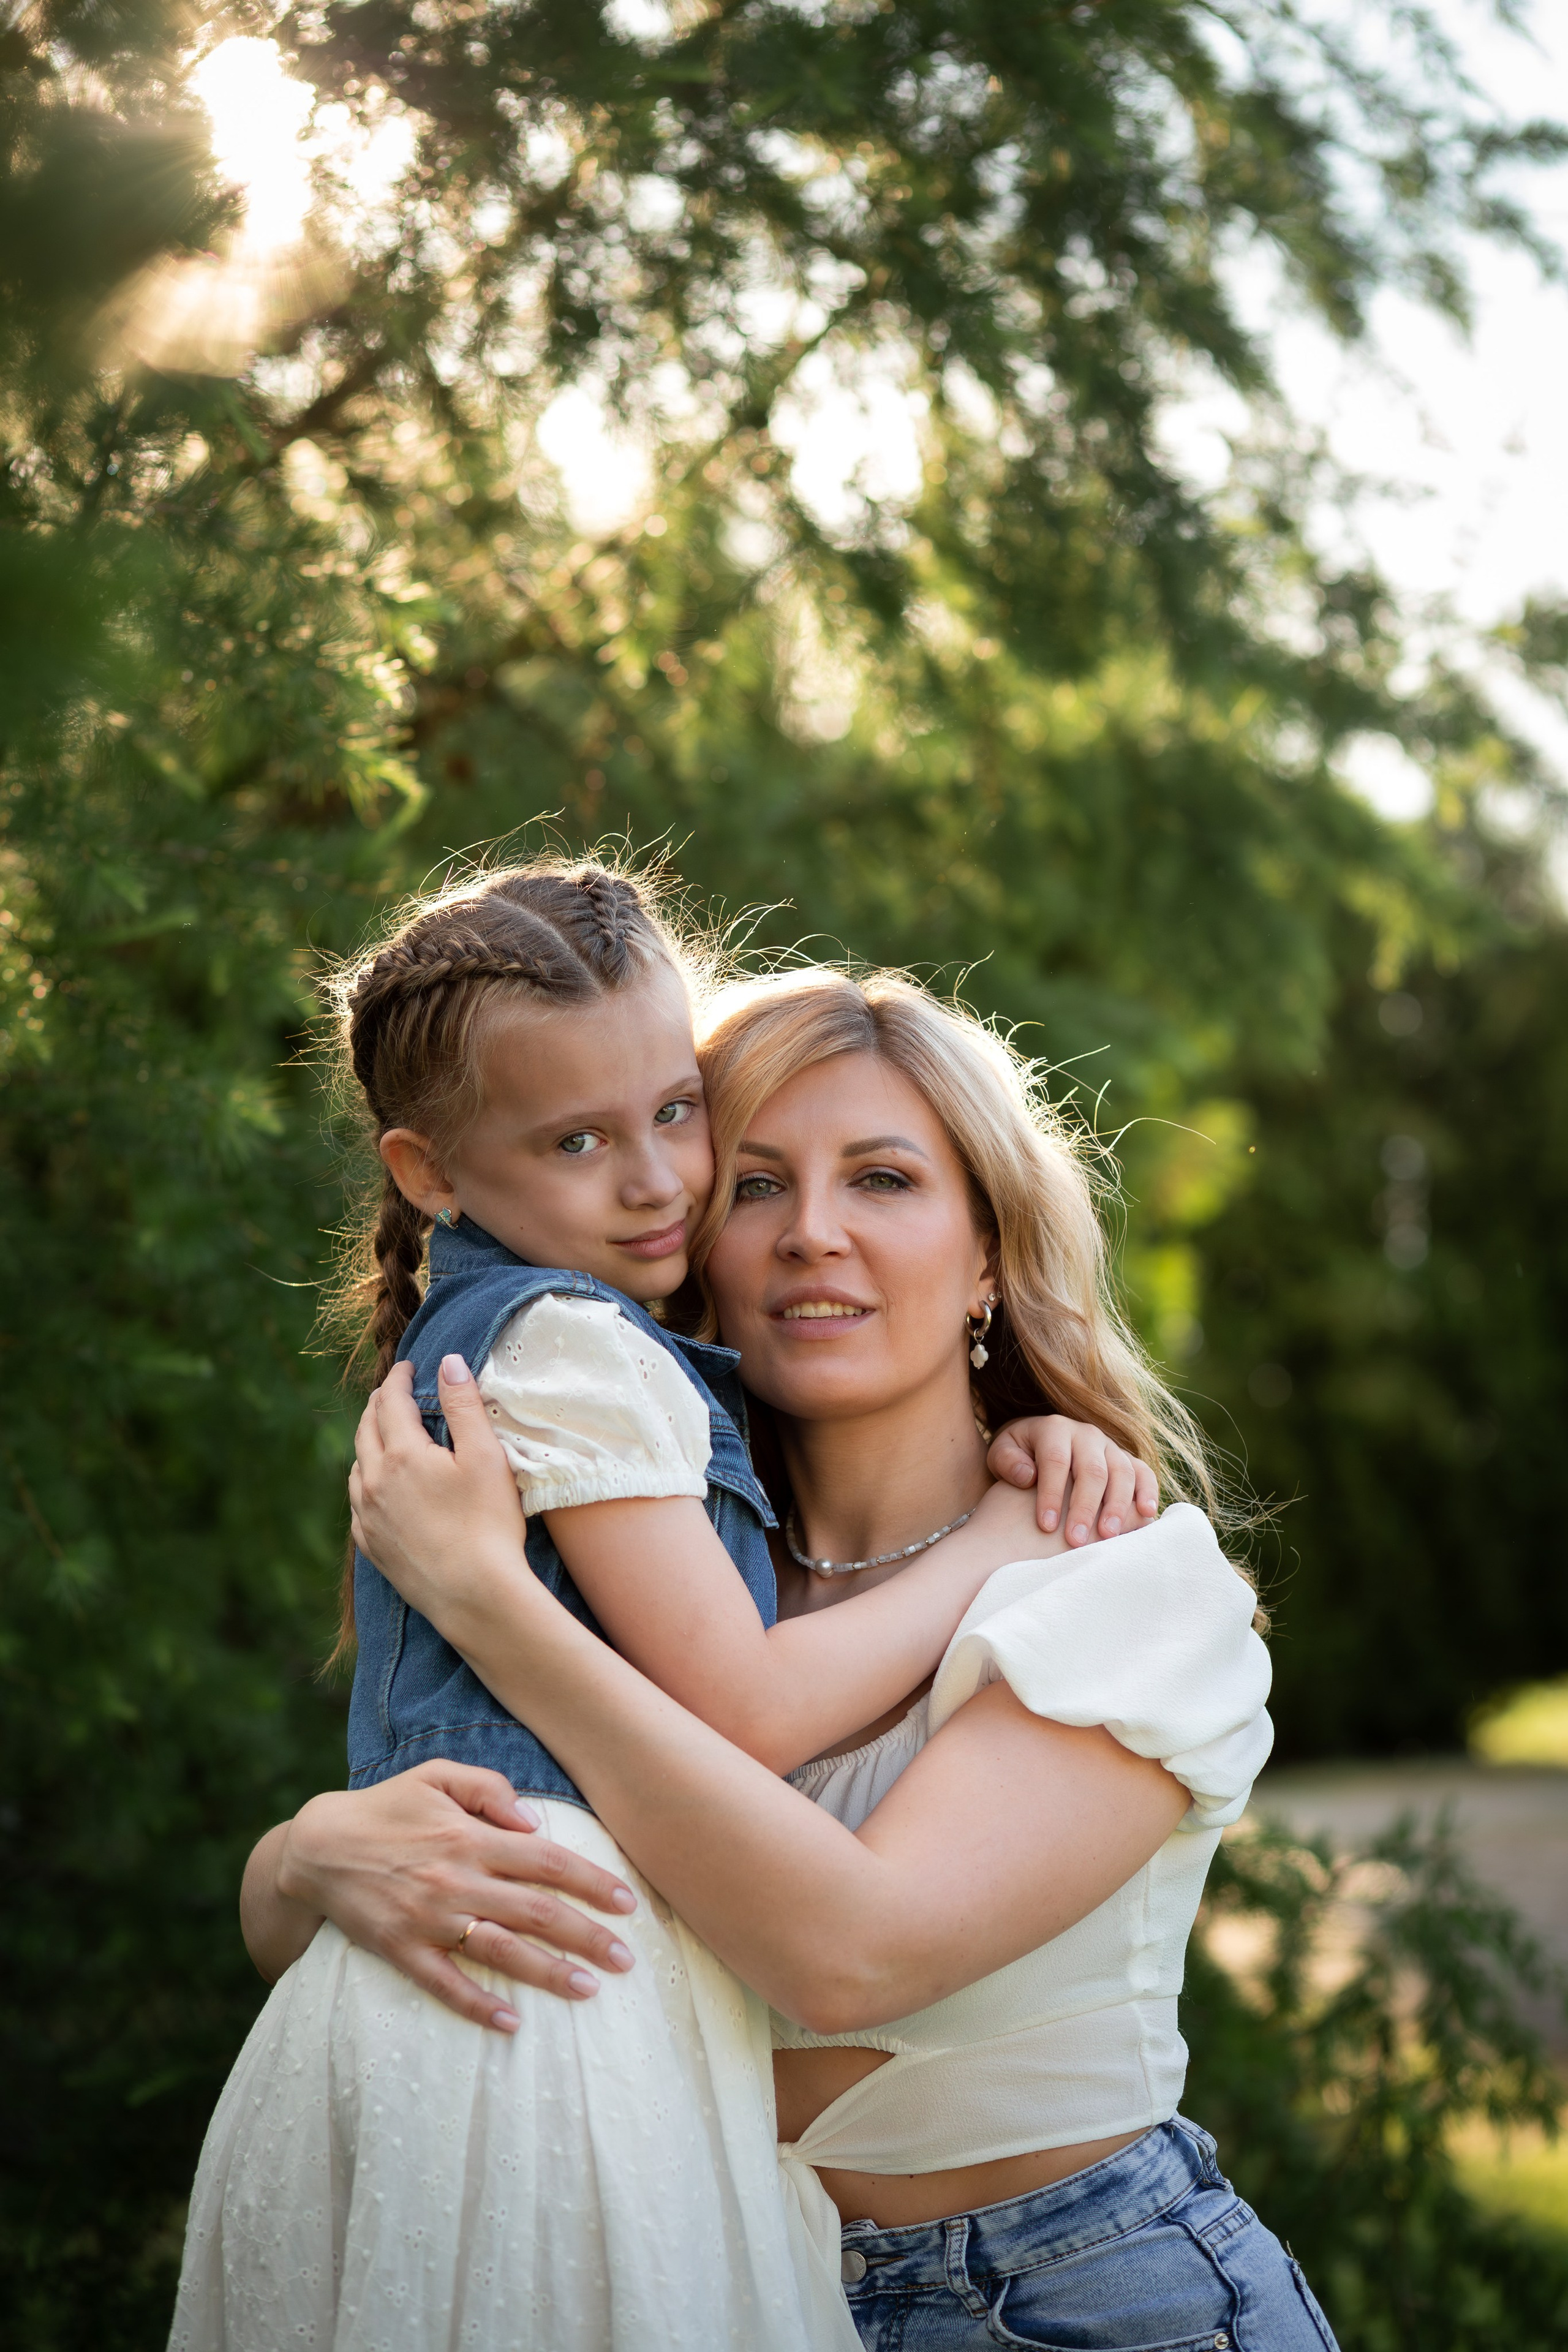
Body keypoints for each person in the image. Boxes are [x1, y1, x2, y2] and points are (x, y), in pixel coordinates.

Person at [258, 966, 1341, 2348]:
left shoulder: (1117, 1576)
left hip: (1071, 2294)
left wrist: (485, 1606)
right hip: (715, 2287)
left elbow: (851, 1957)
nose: (809, 1234)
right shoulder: (649, 1584)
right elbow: (376, 1919)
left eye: (882, 1181)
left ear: (989, 1254)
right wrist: (306, 1862)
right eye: (756, 1185)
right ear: (693, 1238)